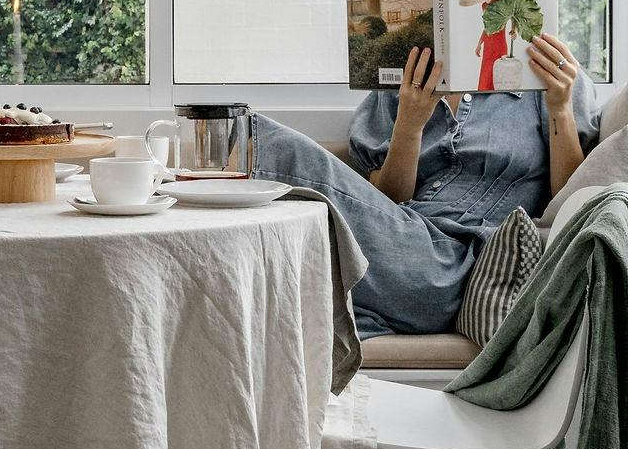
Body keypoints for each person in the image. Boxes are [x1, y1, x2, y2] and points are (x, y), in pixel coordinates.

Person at [251, 33, 599, 339]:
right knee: (280, 258)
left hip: (457, 266)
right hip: (402, 243)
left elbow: (571, 200)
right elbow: (386, 202)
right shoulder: (403, 78)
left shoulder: (550, 76)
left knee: (276, 146)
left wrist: (560, 108)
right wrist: (410, 123)